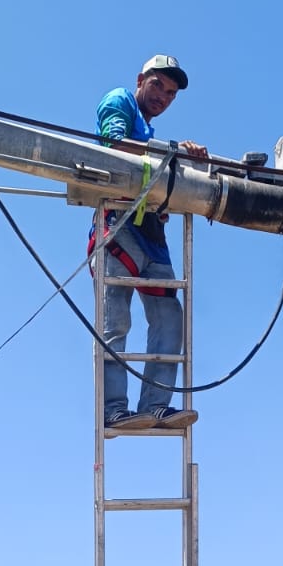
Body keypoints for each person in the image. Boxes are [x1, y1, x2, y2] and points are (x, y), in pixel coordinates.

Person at [92, 54, 206, 430]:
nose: (164, 96)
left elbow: (148, 166)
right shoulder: (120, 102)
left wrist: (179, 164)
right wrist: (173, 156)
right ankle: (114, 410)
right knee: (115, 322)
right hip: (119, 227)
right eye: (158, 85)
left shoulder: (149, 132)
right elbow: (115, 145)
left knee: (169, 319)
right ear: (141, 80)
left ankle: (157, 405)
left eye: (171, 93)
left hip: (150, 234)